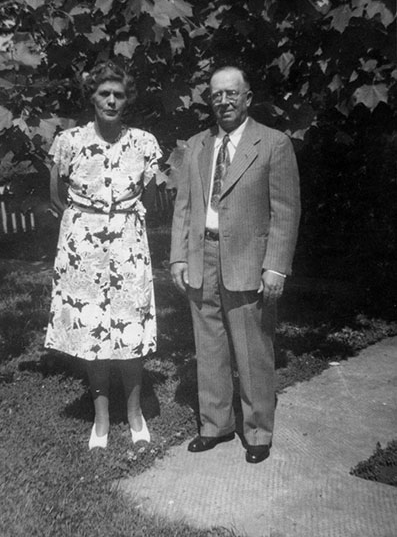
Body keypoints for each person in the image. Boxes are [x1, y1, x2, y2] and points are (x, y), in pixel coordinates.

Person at [170, 65, 300, 464]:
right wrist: (177, 255)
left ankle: (258, 430)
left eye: (231, 93)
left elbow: (286, 210)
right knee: (208, 344)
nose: (223, 101)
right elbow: (184, 206)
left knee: (252, 346)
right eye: (215, 95)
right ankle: (215, 424)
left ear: (247, 97)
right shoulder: (197, 145)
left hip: (247, 257)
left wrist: (275, 266)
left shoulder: (273, 143)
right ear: (209, 101)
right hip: (202, 254)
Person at [45, 61, 161, 450]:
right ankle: (101, 418)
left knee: (129, 326)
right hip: (82, 245)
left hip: (128, 241)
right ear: (91, 97)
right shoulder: (69, 141)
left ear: (128, 99)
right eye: (103, 94)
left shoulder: (144, 143)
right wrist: (89, 225)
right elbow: (57, 197)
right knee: (92, 328)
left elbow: (150, 200)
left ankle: (134, 413)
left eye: (119, 95)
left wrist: (118, 223)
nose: (112, 100)